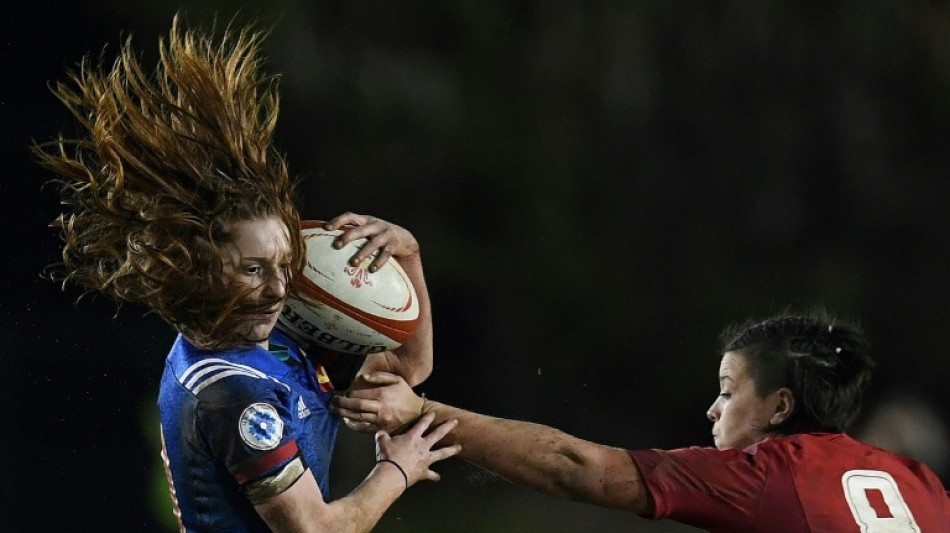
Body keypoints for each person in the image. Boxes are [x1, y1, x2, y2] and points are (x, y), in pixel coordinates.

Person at [34, 15, 459, 532]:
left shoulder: (270, 334)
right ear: (202, 267)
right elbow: (316, 530)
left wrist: (408, 255)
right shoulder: (231, 392)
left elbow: (408, 370)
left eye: (285, 265)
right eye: (254, 269)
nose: (279, 288)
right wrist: (398, 469)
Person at [334, 309, 950, 531]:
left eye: (728, 391)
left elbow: (576, 469)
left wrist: (421, 412)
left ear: (779, 409)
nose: (712, 409)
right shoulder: (919, 482)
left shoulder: (765, 474)